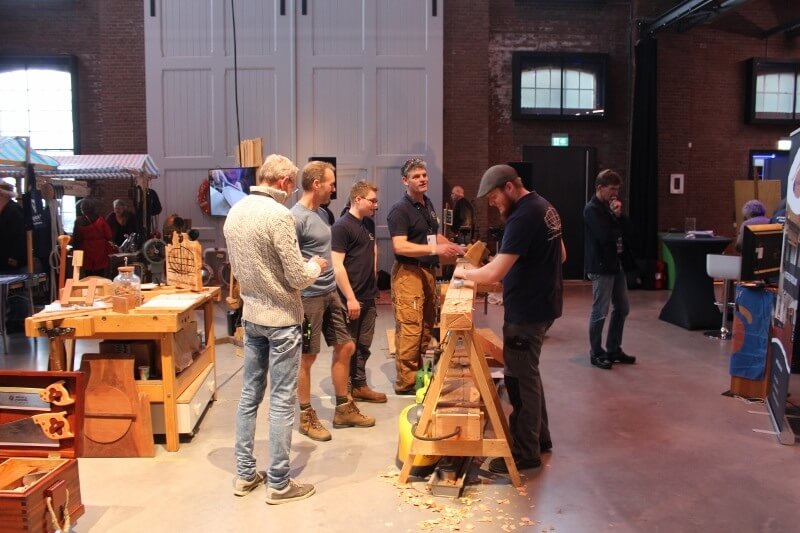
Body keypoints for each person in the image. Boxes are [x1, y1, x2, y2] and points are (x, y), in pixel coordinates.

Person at [224, 153, 326, 505]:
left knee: (249, 396)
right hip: (282, 320)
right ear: (283, 183)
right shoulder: (279, 215)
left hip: (251, 317)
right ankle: (280, 483)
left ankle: (244, 473)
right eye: (291, 185)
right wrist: (314, 265)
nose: (292, 191)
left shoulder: (235, 211)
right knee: (282, 400)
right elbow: (297, 276)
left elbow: (237, 269)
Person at [452, 164, 564, 474]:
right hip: (545, 306)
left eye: (494, 196)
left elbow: (494, 273)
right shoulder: (546, 207)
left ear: (511, 187)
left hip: (527, 312)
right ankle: (540, 439)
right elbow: (562, 255)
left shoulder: (523, 216)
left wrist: (463, 273)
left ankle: (524, 452)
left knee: (518, 379)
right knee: (529, 373)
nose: (492, 203)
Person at [291, 161, 374, 442]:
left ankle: (343, 409)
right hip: (308, 297)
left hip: (329, 294)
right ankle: (305, 415)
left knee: (346, 345)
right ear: (317, 185)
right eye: (331, 183)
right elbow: (288, 259)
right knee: (307, 356)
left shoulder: (324, 214)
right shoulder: (295, 217)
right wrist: (309, 263)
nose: (334, 188)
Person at [387, 158, 463, 394]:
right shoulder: (400, 210)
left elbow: (432, 237)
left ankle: (420, 378)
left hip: (427, 272)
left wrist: (456, 248)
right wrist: (435, 250)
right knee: (411, 327)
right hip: (409, 273)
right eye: (416, 176)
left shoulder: (427, 204)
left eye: (424, 175)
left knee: (427, 327)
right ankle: (406, 384)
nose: (422, 179)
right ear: (405, 181)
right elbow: (400, 246)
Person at [331, 180, 386, 403]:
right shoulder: (342, 227)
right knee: (348, 346)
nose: (376, 205)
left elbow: (372, 253)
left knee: (364, 344)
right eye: (372, 201)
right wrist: (350, 298)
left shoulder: (369, 224)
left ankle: (360, 385)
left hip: (368, 296)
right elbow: (337, 265)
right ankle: (345, 392)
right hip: (350, 299)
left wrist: (373, 286)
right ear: (358, 199)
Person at [583, 169, 637, 370]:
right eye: (611, 189)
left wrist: (619, 215)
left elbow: (629, 231)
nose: (615, 193)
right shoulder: (592, 209)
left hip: (616, 265)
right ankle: (596, 352)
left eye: (617, 189)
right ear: (600, 188)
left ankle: (614, 348)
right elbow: (606, 235)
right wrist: (615, 219)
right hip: (601, 266)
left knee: (622, 307)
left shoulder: (610, 208)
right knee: (600, 311)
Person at [72, 197, 113, 277]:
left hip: (86, 250)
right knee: (101, 274)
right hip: (100, 250)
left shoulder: (78, 221)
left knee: (88, 275)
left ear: (83, 209)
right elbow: (109, 235)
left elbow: (76, 239)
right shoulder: (100, 220)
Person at [0, 182, 27, 274]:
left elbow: (20, 236)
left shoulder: (14, 211)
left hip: (10, 263)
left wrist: (15, 258)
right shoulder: (4, 211)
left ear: (3, 195)